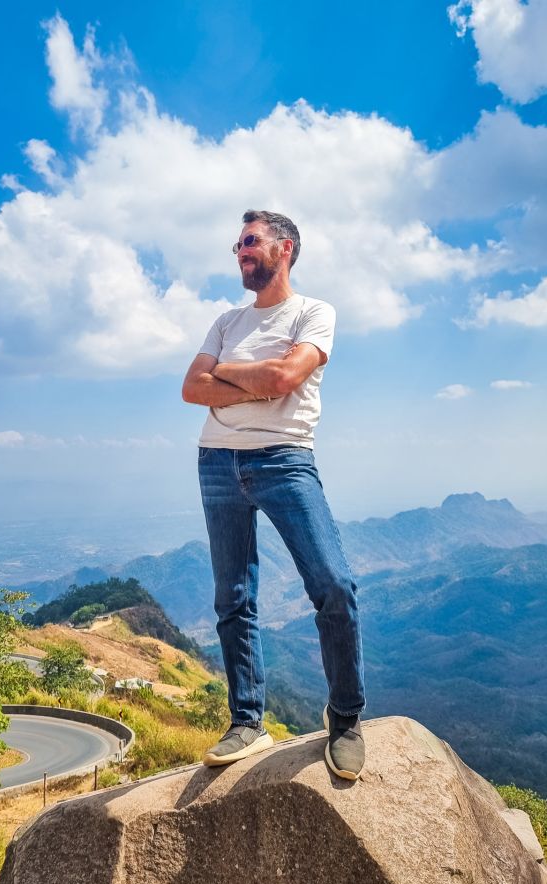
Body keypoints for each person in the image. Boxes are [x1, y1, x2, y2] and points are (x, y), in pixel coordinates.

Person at [182, 210, 366, 780]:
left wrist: (230, 376)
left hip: (285, 459)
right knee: (233, 598)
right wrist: (258, 378)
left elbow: (285, 380)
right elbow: (191, 388)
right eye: (237, 244)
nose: (240, 250)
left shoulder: (314, 313)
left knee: (333, 584)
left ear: (284, 248)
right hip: (217, 460)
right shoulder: (225, 320)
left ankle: (345, 719)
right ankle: (247, 721)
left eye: (250, 241)